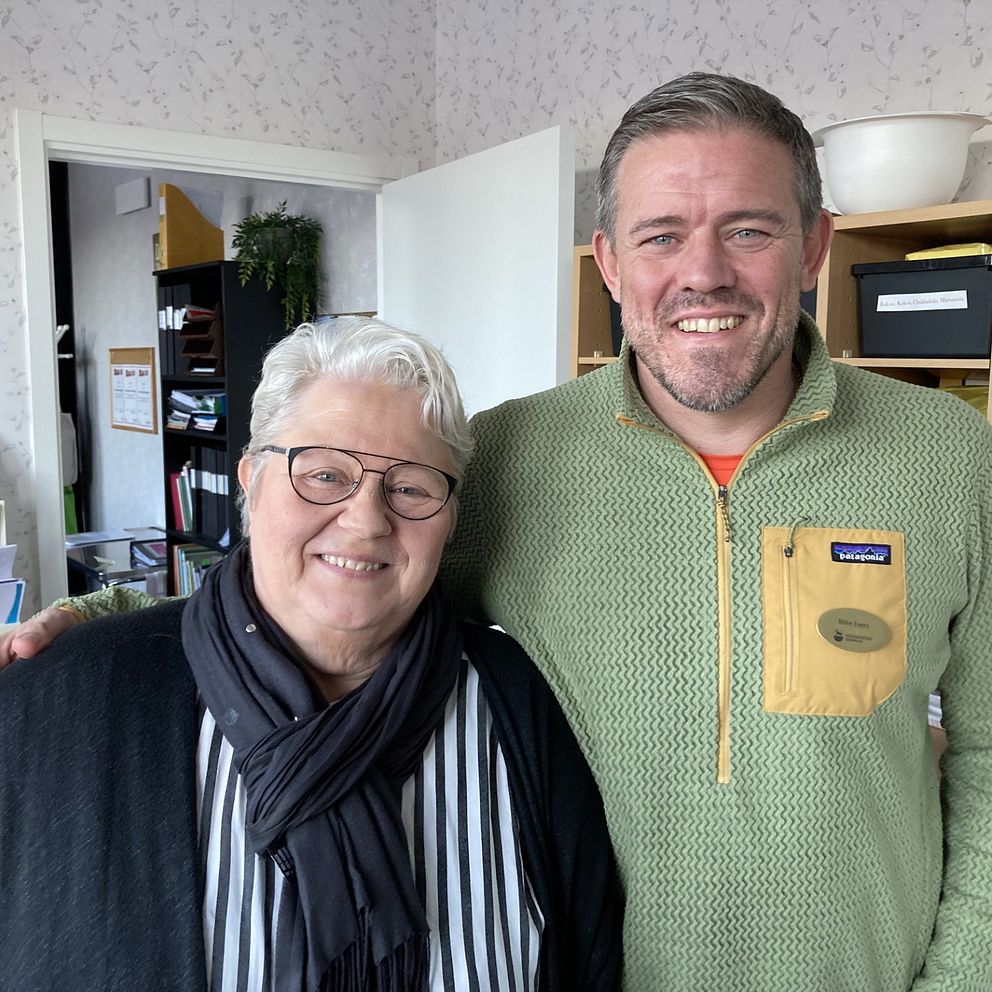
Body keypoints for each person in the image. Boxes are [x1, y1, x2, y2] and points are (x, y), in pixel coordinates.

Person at [5, 71, 992, 991]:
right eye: (659, 235)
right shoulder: (509, 456)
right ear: (609, 263)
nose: (703, 273)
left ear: (814, 244)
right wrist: (105, 612)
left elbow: (985, 756)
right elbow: (338, 571)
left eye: (748, 230)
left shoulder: (952, 457)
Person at [0, 318, 622, 991]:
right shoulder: (56, 706)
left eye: (411, 486)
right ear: (251, 481)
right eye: (325, 474)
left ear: (451, 518)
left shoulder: (522, 706)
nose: (367, 520)